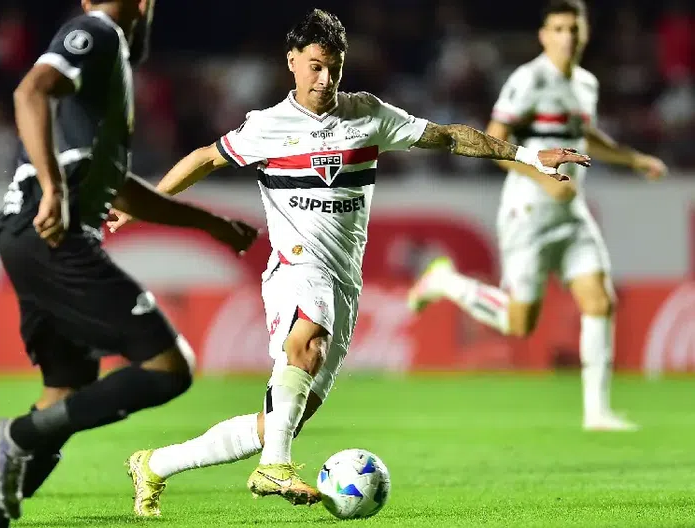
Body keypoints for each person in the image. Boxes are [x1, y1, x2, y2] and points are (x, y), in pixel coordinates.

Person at [106, 8, 590, 517]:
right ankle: (275, 467)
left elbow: (448, 136)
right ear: (292, 61)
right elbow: (205, 158)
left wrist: (529, 157)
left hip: (343, 283)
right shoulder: (266, 127)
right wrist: (143, 205)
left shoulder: (368, 114)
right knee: (307, 341)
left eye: (334, 68)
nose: (325, 79)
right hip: (296, 268)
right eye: (315, 66)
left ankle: (155, 464)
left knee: (278, 422)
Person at [0, 1, 259, 525]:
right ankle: (16, 435)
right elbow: (30, 91)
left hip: (28, 236)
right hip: (52, 234)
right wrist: (53, 189)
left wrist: (210, 224)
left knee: (64, 394)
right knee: (169, 368)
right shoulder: (95, 31)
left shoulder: (111, 64)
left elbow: (119, 188)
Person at [407, 0, 667, 432]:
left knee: (599, 300)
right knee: (518, 322)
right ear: (544, 36)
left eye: (574, 29)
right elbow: (493, 141)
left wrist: (633, 159)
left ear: (584, 34)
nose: (567, 37)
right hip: (527, 211)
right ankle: (444, 281)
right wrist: (541, 177)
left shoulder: (585, 83)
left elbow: (584, 136)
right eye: (559, 29)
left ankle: (597, 412)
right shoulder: (528, 79)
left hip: (571, 213)